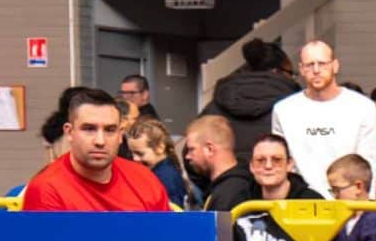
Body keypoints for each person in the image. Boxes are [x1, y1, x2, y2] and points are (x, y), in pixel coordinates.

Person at [21, 88, 170, 213]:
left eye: (110, 130)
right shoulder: (47, 188)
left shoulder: (145, 179)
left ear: (120, 134)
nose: (100, 141)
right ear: (69, 132)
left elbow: (167, 237)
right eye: (89, 129)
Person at [270, 41, 376, 197]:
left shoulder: (363, 107)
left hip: (349, 203)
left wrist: (367, 205)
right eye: (309, 65)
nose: (316, 70)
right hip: (300, 201)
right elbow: (282, 163)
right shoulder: (283, 110)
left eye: (322, 63)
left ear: (335, 66)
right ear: (301, 69)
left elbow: (369, 165)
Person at [203, 38, 296, 163]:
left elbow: (192, 155)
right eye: (291, 73)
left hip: (228, 176)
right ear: (276, 71)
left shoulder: (214, 107)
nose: (292, 78)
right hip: (278, 175)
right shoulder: (297, 107)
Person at [125, 116, 189, 210]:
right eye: (132, 153)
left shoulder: (167, 176)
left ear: (160, 148)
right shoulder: (158, 171)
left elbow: (174, 209)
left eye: (140, 154)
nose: (135, 158)